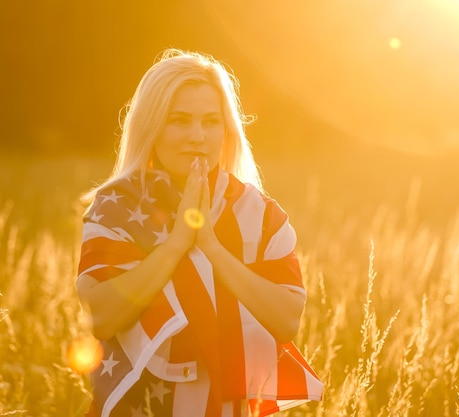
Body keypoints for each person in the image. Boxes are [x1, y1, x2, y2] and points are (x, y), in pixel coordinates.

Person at [76, 48, 322, 417]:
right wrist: (176, 244)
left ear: (227, 130)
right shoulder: (116, 207)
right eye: (179, 120)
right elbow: (102, 317)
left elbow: (287, 319)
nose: (197, 136)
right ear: (152, 126)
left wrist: (210, 245)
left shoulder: (262, 214)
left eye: (210, 121)